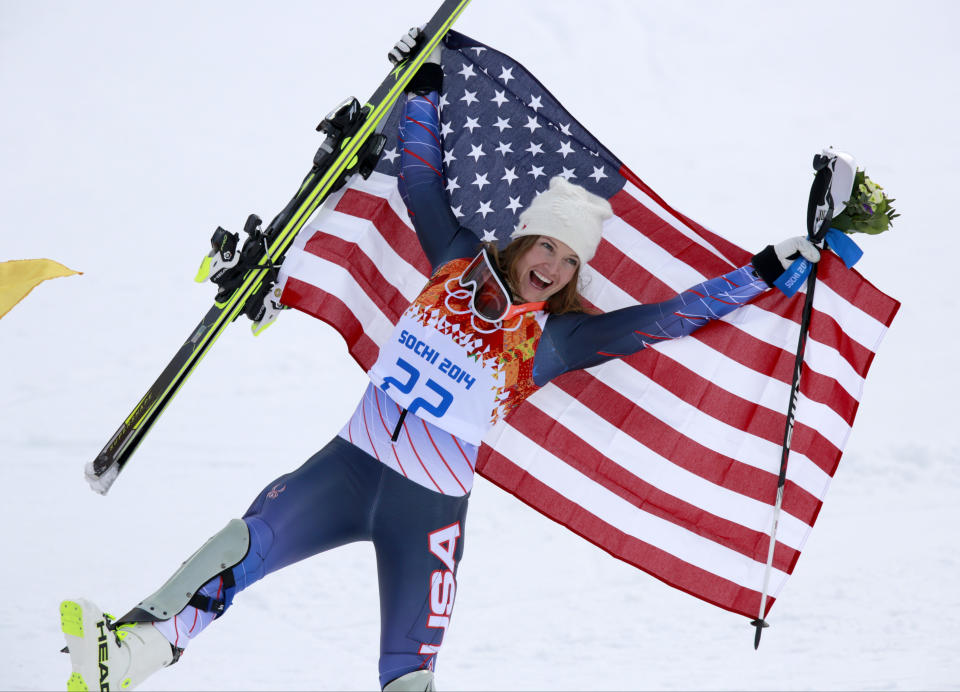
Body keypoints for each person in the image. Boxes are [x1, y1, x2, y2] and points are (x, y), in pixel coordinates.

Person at [60, 29, 821, 692]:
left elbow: (662, 321)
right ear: (524, 241)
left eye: (568, 260)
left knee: (410, 675)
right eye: (546, 246)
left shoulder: (557, 340)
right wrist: (420, 93)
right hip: (347, 466)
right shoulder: (456, 260)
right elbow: (423, 178)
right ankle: (132, 654)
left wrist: (756, 274)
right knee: (243, 545)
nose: (553, 267)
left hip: (428, 511)